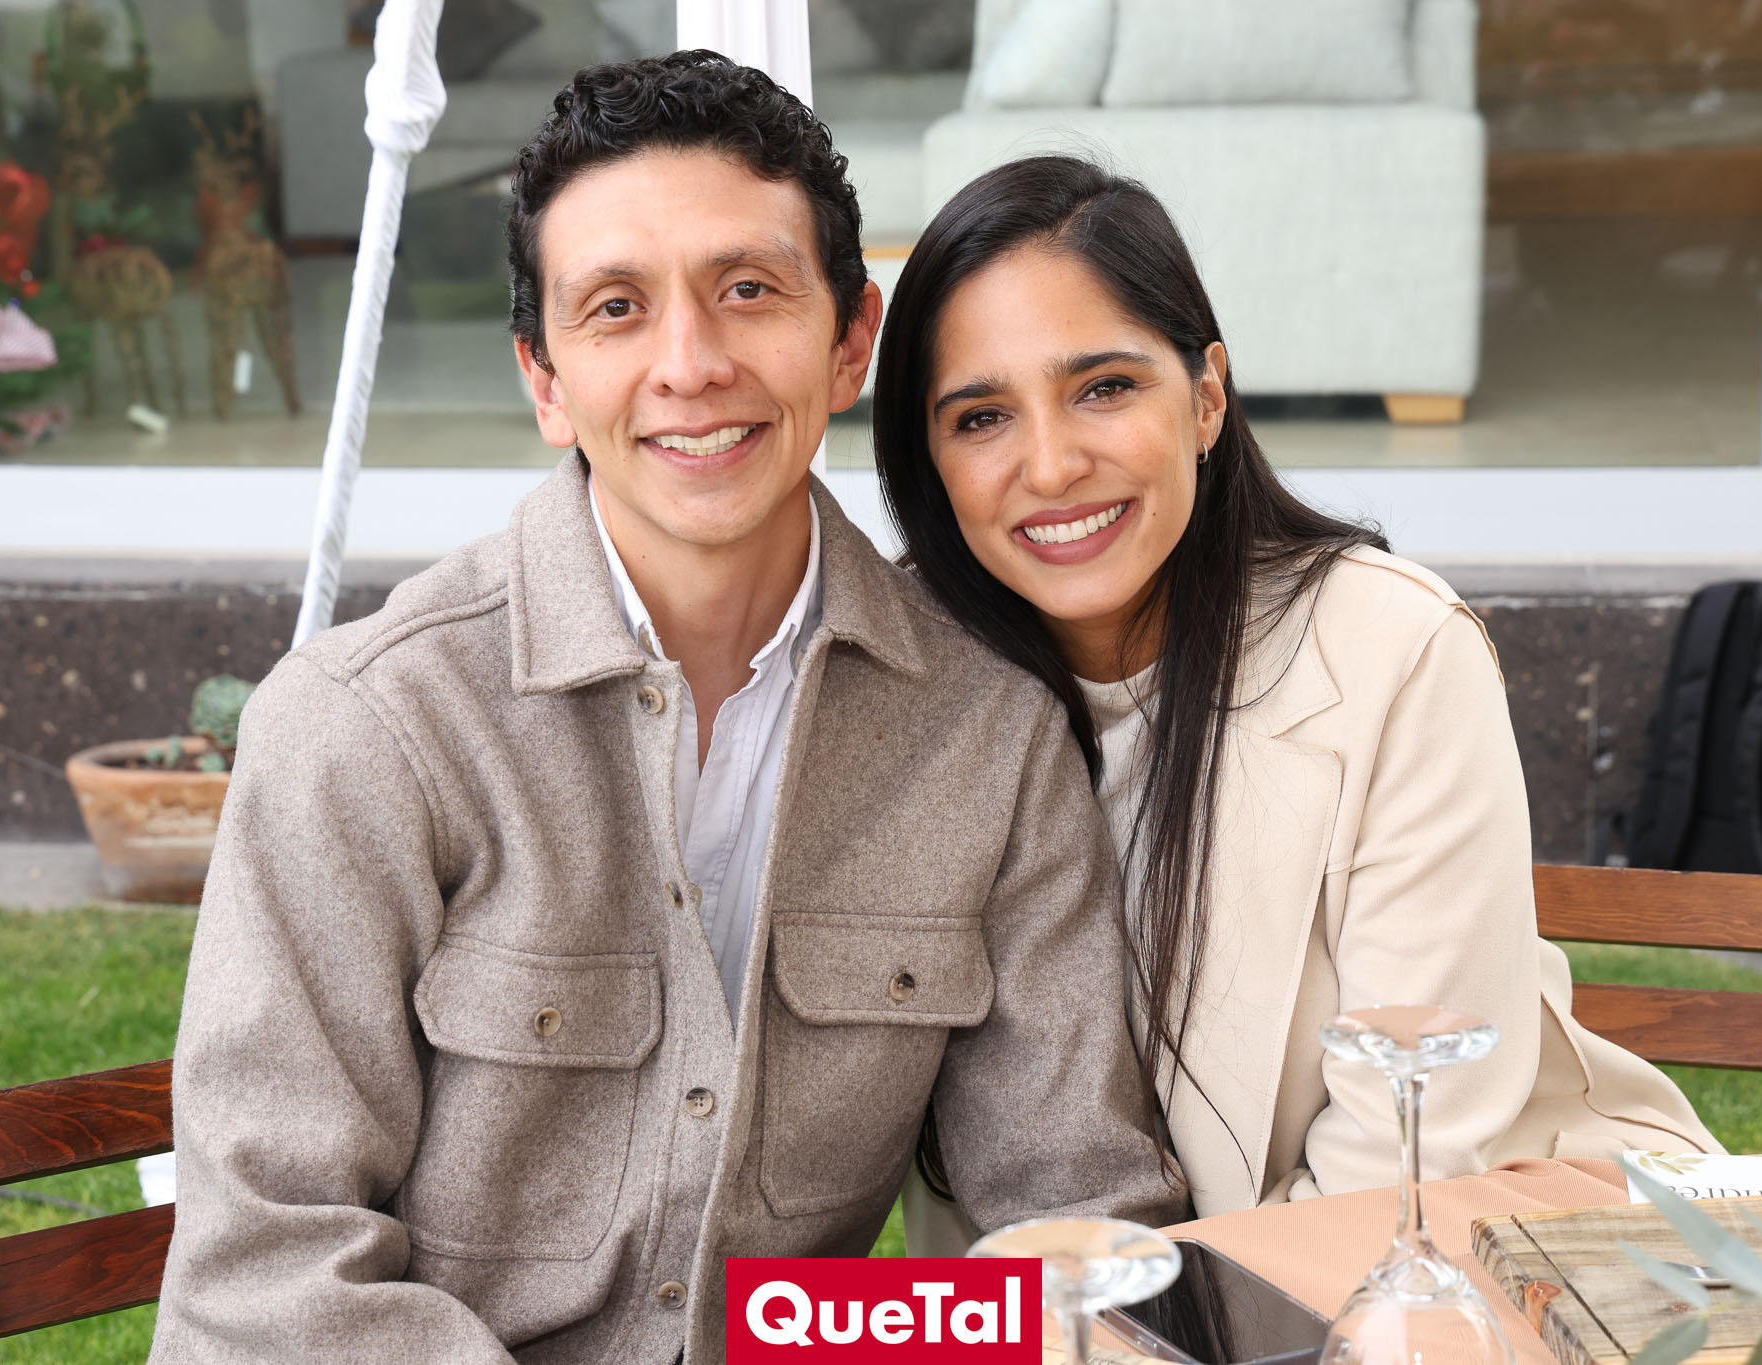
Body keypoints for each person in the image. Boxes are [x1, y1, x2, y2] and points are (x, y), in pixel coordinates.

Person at [149, 66, 1181, 1364]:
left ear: (849, 340)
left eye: (747, 290)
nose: (690, 365)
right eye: (616, 308)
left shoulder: (986, 734)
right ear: (545, 380)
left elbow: (1078, 1216)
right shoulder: (369, 725)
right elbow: (265, 1275)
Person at [873, 156, 1720, 1242]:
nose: (1049, 466)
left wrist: (1152, 1317)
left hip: (1487, 1250)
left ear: (1206, 397)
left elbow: (1410, 1145)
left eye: (1104, 388)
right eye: (981, 416)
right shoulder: (902, 693)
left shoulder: (1392, 651)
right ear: (929, 459)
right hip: (1096, 1302)